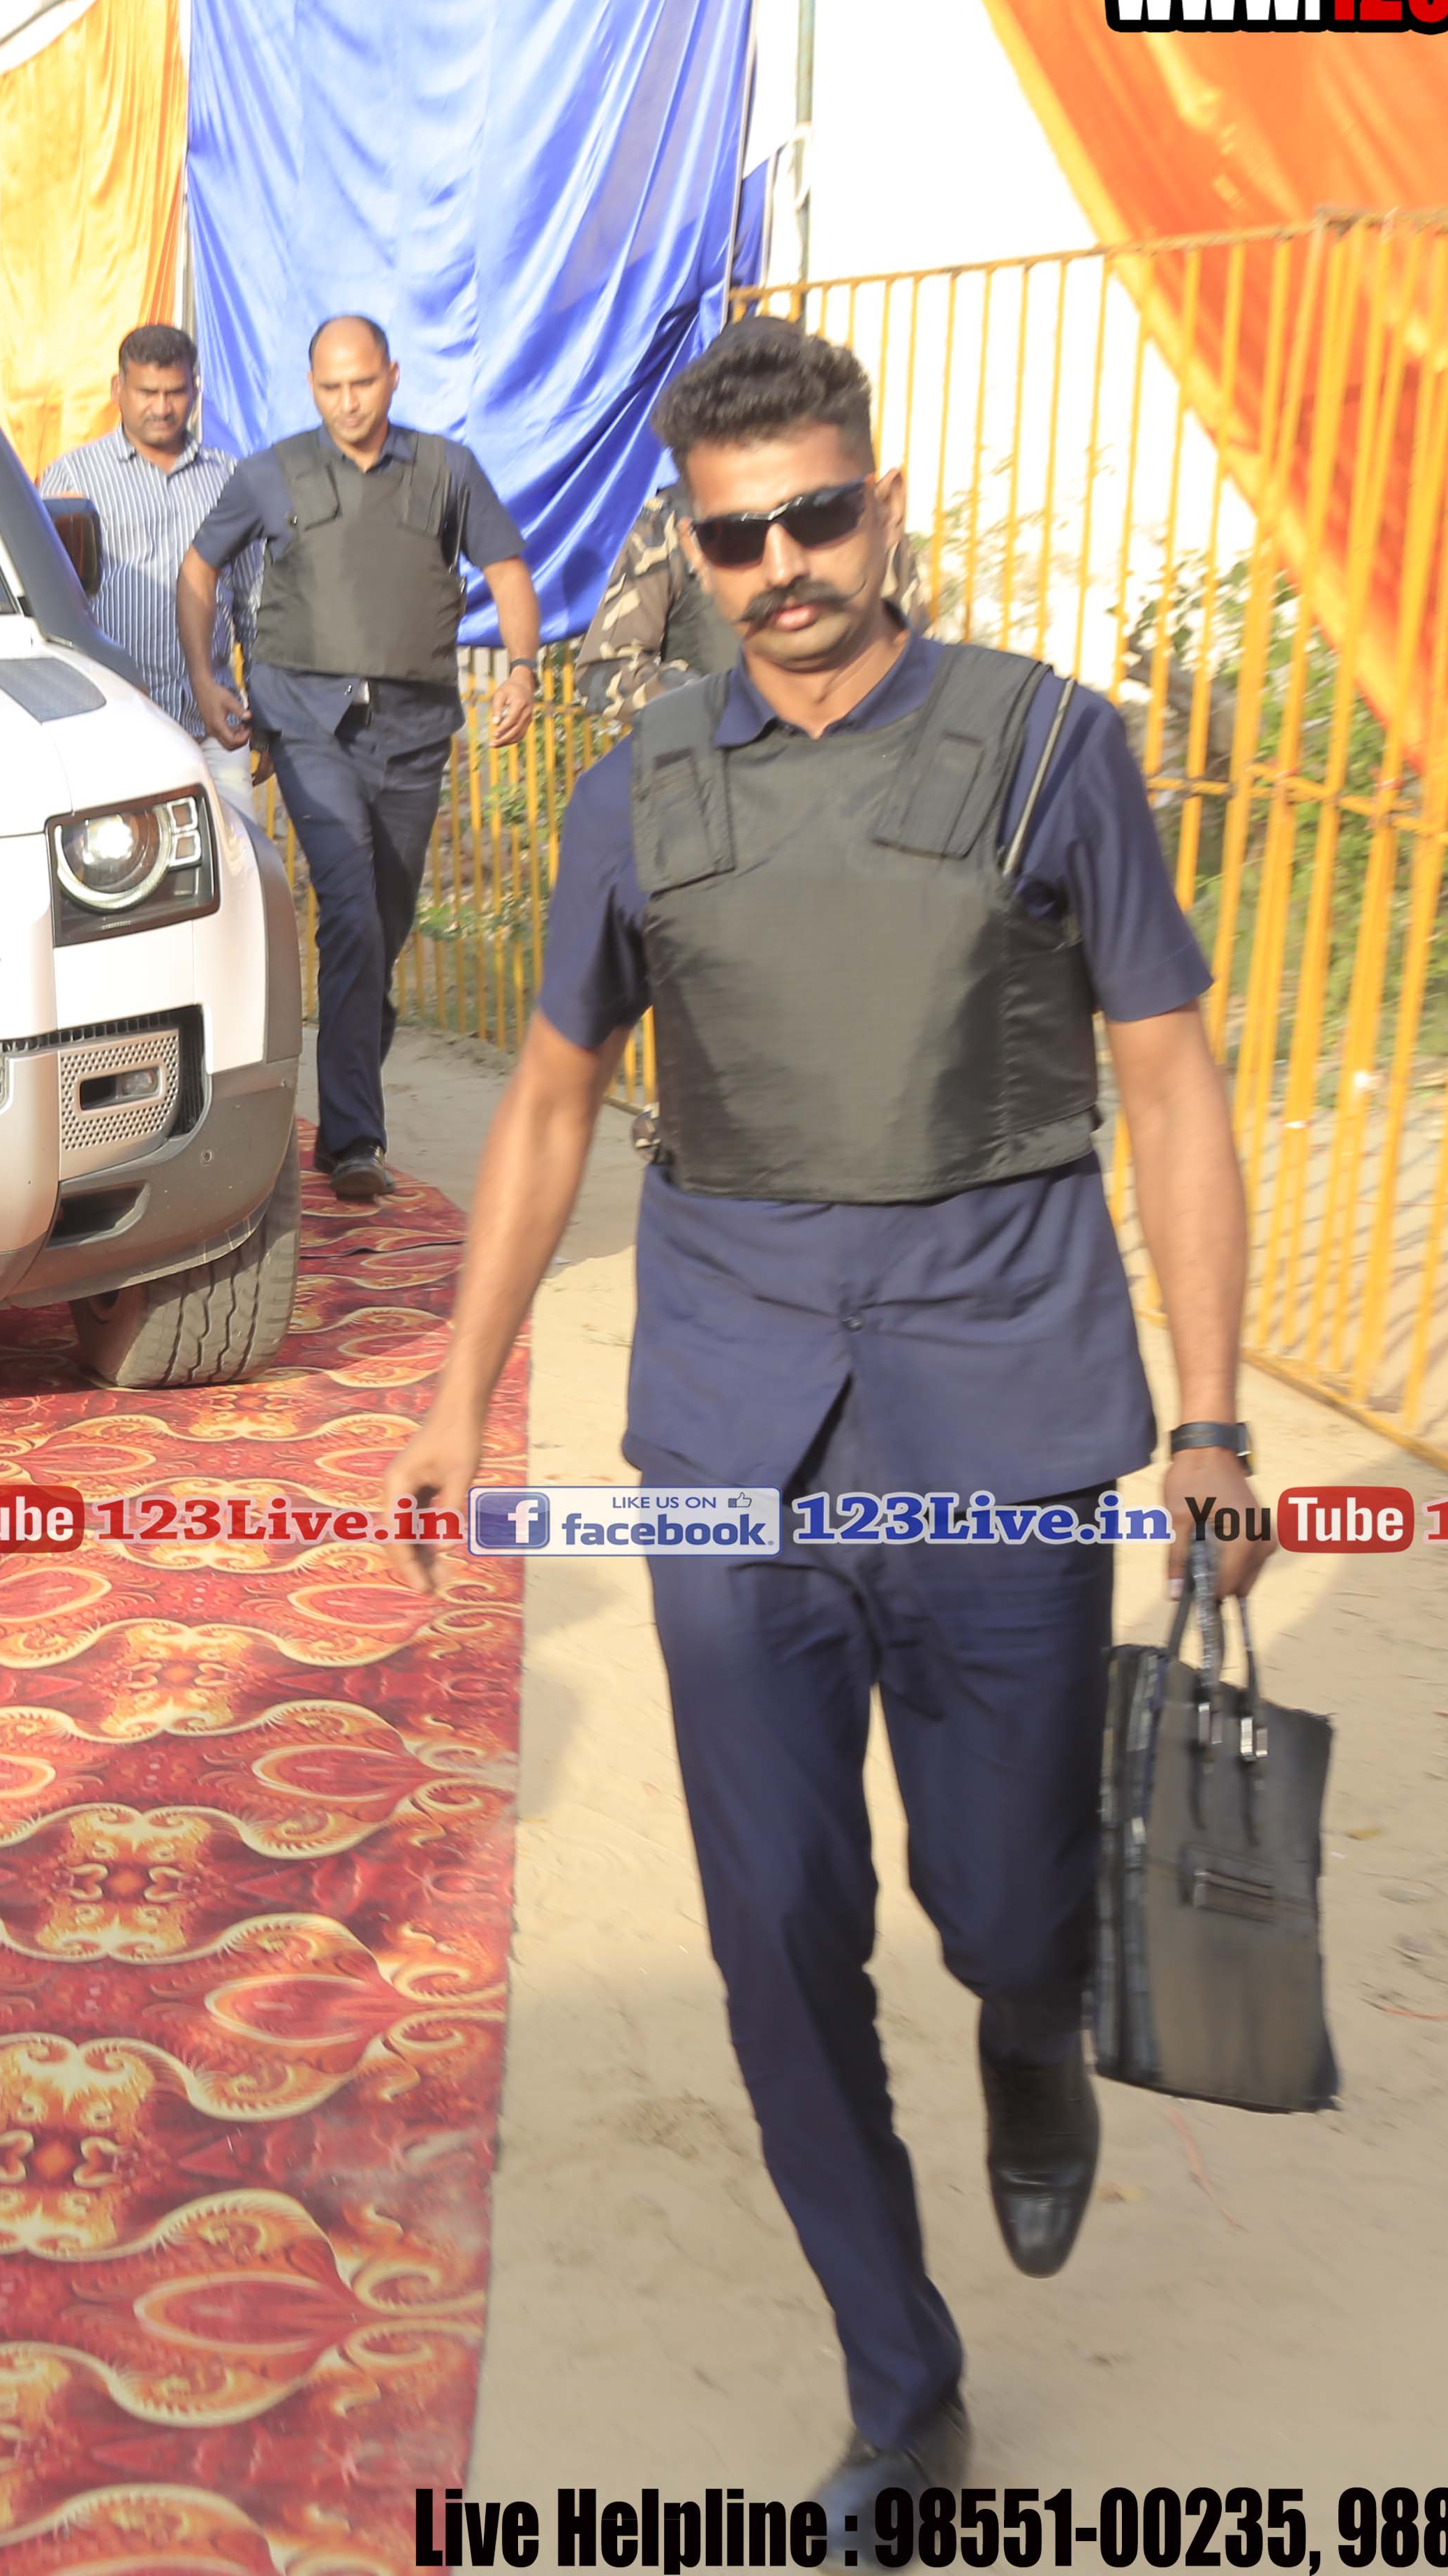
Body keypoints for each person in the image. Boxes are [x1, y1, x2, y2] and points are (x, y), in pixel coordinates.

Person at [377, 316, 1274, 2501]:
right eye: (735, 535)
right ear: (691, 554)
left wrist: (1213, 1419)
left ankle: (1033, 2016)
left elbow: (1167, 1080)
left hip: (1008, 1409)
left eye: (816, 515)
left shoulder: (1053, 749)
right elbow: (554, 1101)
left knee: (1005, 1897)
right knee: (775, 1921)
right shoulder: (639, 792)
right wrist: (458, 1396)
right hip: (734, 1419)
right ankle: (902, 2381)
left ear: (885, 509)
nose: (781, 565)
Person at [177, 314, 542, 1207]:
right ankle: (354, 1139)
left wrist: (523, 668)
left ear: (393, 376)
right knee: (348, 906)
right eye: (332, 387)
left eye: (363, 383)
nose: (348, 402)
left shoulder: (448, 470)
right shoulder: (271, 473)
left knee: (383, 920)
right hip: (308, 722)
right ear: (313, 388)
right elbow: (197, 570)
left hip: (413, 729)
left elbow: (506, 569)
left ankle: (350, 1079)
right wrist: (205, 678)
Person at [37, 322, 253, 811]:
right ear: (119, 389)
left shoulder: (228, 477)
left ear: (195, 389)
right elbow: (50, 601)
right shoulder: (73, 478)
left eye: (175, 392)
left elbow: (253, 597)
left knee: (238, 849)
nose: (162, 407)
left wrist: (265, 707)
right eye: (147, 392)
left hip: (215, 722)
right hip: (117, 724)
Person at [584, 476, 927, 721]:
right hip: (720, 778)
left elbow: (914, 658)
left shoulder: (858, 509)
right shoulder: (671, 520)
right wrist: (733, 704)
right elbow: (605, 673)